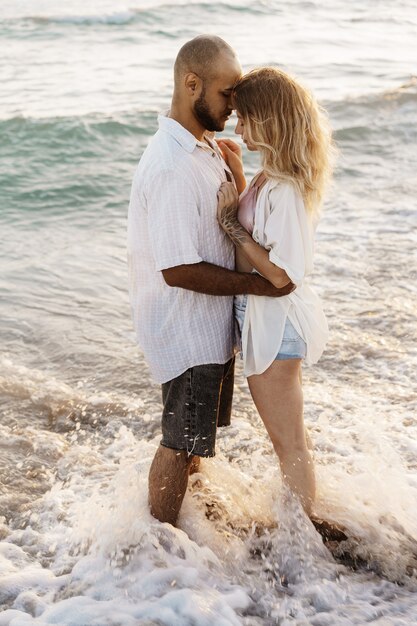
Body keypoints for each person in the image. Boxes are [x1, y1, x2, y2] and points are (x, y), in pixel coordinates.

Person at [127, 38, 293, 527]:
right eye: (226, 94)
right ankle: (158, 546)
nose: (233, 105)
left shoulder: (203, 148)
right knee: (178, 443)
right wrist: (260, 288)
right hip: (185, 331)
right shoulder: (172, 165)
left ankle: (187, 531)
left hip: (209, 328)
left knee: (195, 440)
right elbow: (177, 269)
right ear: (191, 84)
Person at [216, 67, 334, 518]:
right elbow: (263, 232)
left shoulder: (284, 188)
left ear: (268, 119)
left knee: (289, 443)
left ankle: (303, 539)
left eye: (245, 119)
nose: (238, 127)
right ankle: (299, 528)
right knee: (287, 441)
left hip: (277, 320)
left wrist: (228, 223)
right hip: (266, 319)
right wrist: (241, 180)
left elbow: (282, 276)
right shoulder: (271, 177)